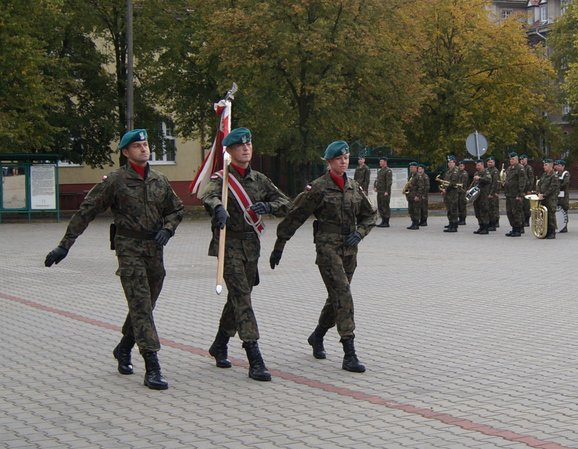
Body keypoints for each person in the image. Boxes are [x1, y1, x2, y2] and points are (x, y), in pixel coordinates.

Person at [44, 129, 184, 390]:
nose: (144, 149)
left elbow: (176, 209)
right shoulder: (116, 181)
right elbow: (86, 211)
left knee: (145, 305)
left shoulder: (159, 180)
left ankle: (123, 347)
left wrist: (168, 228)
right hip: (129, 250)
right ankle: (152, 365)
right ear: (126, 152)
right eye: (137, 146)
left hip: (155, 251)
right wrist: (64, 246)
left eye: (146, 144)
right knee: (141, 306)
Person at [269, 140, 376, 372]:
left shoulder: (354, 186)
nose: (344, 161)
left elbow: (370, 215)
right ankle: (349, 353)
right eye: (339, 159)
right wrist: (280, 243)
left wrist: (360, 233)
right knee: (343, 294)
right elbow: (296, 215)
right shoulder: (318, 188)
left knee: (336, 297)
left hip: (349, 248)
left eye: (346, 158)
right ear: (329, 162)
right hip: (327, 248)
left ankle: (317, 335)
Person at [202, 128, 291, 382]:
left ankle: (219, 344)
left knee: (238, 298)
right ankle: (254, 357)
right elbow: (207, 196)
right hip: (228, 246)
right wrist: (218, 207)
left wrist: (269, 206)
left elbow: (286, 202)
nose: (246, 148)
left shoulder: (260, 180)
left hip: (251, 249)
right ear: (229, 151)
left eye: (249, 144)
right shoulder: (222, 179)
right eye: (240, 145)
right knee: (243, 299)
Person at [503, 152, 526, 237]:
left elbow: (522, 182)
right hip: (509, 194)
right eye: (510, 159)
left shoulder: (520, 168)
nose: (511, 160)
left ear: (516, 159)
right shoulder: (509, 168)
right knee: (509, 212)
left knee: (516, 212)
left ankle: (518, 229)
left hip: (516, 194)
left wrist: (520, 194)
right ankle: (513, 228)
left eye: (513, 159)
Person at [537, 159, 559, 239]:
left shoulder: (554, 175)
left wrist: (544, 195)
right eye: (544, 165)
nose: (544, 166)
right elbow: (539, 184)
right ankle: (545, 232)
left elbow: (552, 187)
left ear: (550, 166)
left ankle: (552, 232)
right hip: (543, 198)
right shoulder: (544, 174)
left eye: (545, 165)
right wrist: (539, 193)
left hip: (551, 199)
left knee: (550, 216)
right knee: (543, 216)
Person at [469, 160, 493, 234]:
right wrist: (470, 190)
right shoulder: (476, 173)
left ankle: (485, 228)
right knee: (477, 211)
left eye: (479, 165)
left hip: (483, 195)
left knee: (484, 211)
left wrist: (479, 178)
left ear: (482, 165)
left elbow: (489, 180)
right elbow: (474, 184)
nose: (477, 167)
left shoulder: (486, 172)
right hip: (476, 196)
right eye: (476, 165)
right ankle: (481, 226)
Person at [441, 155, 461, 232]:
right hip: (448, 193)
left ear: (454, 163)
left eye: (451, 162)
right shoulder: (448, 171)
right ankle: (451, 223)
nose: (449, 164)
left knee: (453, 209)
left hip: (453, 193)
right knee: (449, 209)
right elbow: (445, 182)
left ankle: (454, 226)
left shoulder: (456, 171)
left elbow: (453, 182)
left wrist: (445, 189)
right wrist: (443, 188)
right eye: (448, 162)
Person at [374, 156, 392, 227]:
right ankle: (383, 221)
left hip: (385, 192)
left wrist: (387, 191)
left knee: (385, 206)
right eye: (380, 161)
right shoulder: (380, 171)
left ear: (385, 162)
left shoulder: (388, 171)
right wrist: (375, 186)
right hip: (380, 191)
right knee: (380, 206)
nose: (380, 163)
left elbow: (389, 182)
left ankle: (386, 222)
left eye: (381, 161)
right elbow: (377, 180)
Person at [405, 162, 423, 230]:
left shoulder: (418, 176)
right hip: (410, 195)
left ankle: (416, 224)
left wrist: (417, 196)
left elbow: (421, 187)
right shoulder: (411, 176)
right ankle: (413, 223)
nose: (410, 169)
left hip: (415, 196)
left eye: (412, 167)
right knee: (411, 210)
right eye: (410, 167)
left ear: (416, 168)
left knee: (416, 210)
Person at [554, 159, 570, 233]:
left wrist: (557, 186)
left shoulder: (566, 173)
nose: (557, 167)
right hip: (557, 195)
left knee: (564, 210)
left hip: (563, 196)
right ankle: (558, 225)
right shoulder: (555, 173)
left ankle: (564, 226)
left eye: (559, 165)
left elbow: (565, 183)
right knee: (557, 210)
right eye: (557, 165)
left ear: (563, 166)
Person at [520, 154, 536, 227]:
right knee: (521, 206)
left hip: (527, 190)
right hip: (521, 189)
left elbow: (531, 179)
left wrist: (529, 189)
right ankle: (522, 220)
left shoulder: (528, 168)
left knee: (526, 206)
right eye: (521, 159)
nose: (522, 161)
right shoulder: (520, 168)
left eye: (523, 159)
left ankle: (526, 220)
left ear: (526, 160)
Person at [486, 157, 500, 230]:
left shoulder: (495, 171)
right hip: (487, 192)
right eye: (488, 162)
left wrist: (492, 193)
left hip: (493, 193)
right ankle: (490, 223)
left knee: (493, 208)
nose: (489, 163)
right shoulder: (486, 170)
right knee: (489, 208)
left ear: (494, 163)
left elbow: (495, 183)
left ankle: (494, 223)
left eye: (491, 162)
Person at [457, 159, 470, 225]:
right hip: (457, 192)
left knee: (462, 206)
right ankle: (460, 219)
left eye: (462, 166)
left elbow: (462, 183)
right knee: (458, 206)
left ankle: (463, 220)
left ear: (464, 166)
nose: (460, 167)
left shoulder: (464, 173)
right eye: (459, 166)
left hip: (462, 192)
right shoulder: (458, 172)